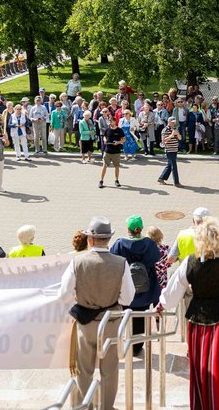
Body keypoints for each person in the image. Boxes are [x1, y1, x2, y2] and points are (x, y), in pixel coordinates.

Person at [158, 217, 219, 410]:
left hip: (198, 323)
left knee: (202, 371)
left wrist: (161, 304)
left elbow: (171, 295)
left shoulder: (189, 263)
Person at [61, 216, 135, 410]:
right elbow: (127, 298)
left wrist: (82, 298)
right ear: (108, 239)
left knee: (83, 370)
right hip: (110, 322)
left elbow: (64, 294)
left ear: (90, 239)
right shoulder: (121, 263)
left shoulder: (77, 262)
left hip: (85, 323)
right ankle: (106, 407)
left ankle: (85, 406)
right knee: (109, 370)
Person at [111, 215, 163, 356]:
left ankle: (126, 340)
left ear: (128, 229)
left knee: (126, 315)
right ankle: (137, 346)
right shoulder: (149, 243)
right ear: (141, 228)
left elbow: (112, 259)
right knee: (141, 317)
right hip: (145, 290)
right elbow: (157, 258)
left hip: (126, 288)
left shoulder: (120, 244)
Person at [99, 120, 124, 189]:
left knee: (117, 166)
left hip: (116, 152)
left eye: (111, 122)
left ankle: (116, 180)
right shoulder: (107, 129)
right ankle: (101, 181)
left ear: (115, 122)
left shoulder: (120, 130)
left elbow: (124, 139)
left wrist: (118, 142)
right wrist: (104, 140)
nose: (110, 123)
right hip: (107, 151)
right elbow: (104, 136)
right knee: (104, 166)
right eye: (109, 122)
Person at [158, 117, 183, 186]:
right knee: (173, 166)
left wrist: (177, 134)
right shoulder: (165, 130)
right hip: (169, 150)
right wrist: (171, 135)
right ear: (168, 122)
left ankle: (161, 178)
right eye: (172, 122)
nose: (173, 123)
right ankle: (176, 182)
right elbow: (163, 140)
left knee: (169, 165)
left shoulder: (174, 129)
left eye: (174, 122)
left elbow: (180, 138)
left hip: (175, 149)